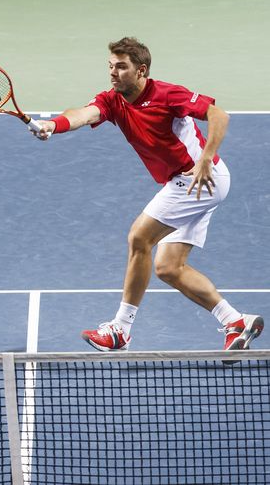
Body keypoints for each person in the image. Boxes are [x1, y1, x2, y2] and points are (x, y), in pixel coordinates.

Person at [31, 37, 263, 352]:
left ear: (141, 71)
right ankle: (236, 321)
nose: (113, 73)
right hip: (190, 184)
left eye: (121, 67)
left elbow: (219, 115)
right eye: (110, 66)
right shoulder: (112, 100)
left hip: (198, 180)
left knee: (139, 238)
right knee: (169, 267)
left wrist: (206, 158)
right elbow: (83, 114)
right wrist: (53, 125)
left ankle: (120, 330)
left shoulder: (167, 94)